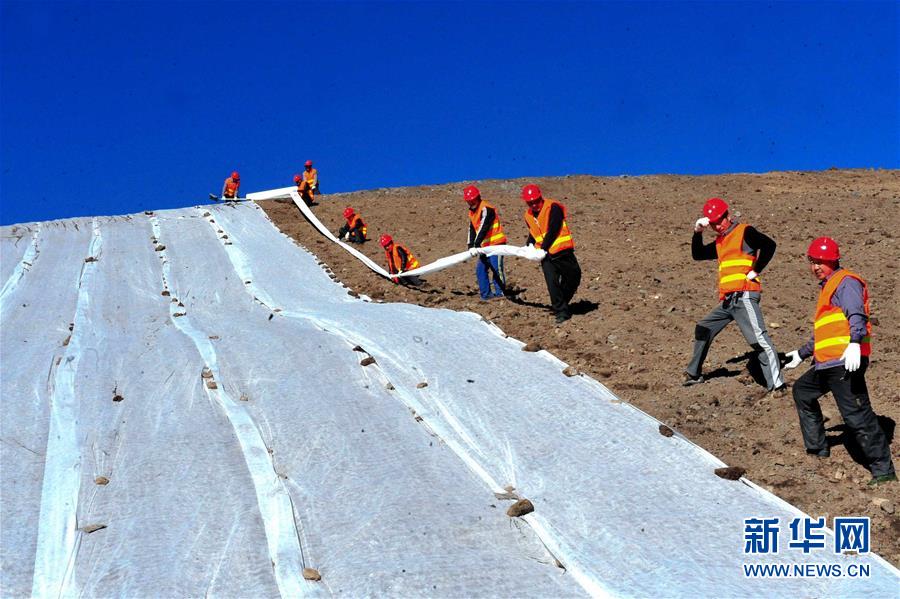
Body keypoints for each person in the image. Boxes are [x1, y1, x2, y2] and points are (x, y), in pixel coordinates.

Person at [783, 237, 896, 486]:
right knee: (803, 391)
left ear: (833, 260)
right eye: (812, 261)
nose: (815, 267)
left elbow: (856, 313)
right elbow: (825, 331)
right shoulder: (828, 287)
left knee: (857, 416)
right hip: (826, 363)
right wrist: (801, 354)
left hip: (845, 361)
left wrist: (855, 342)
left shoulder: (846, 283)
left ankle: (883, 471)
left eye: (820, 262)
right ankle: (817, 449)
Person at [683, 197, 786, 395]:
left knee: (758, 340)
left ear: (728, 215)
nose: (717, 225)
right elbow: (697, 254)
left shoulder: (744, 232)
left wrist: (756, 270)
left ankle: (778, 385)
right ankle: (694, 374)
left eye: (719, 220)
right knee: (704, 328)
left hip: (744, 295)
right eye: (712, 223)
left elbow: (769, 245)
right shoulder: (721, 242)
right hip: (728, 300)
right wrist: (697, 232)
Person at [522, 184, 581, 324]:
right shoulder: (528, 215)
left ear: (540, 197)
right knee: (552, 283)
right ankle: (561, 311)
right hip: (546, 256)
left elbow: (554, 228)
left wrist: (543, 247)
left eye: (536, 201)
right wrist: (528, 245)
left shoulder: (553, 207)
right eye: (530, 203)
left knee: (574, 277)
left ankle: (563, 302)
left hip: (562, 251)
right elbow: (534, 232)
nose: (534, 205)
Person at [463, 185, 507, 299]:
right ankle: (486, 295)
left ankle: (500, 294)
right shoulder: (472, 212)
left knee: (496, 268)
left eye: (473, 200)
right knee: (480, 270)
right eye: (469, 201)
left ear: (478, 197)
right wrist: (470, 245)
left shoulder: (486, 208)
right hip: (484, 246)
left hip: (496, 244)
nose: (471, 203)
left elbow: (484, 226)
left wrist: (476, 244)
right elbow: (472, 229)